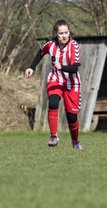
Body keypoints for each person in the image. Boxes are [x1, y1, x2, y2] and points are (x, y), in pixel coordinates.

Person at [25, 19, 82, 150]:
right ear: (56, 33)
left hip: (72, 84)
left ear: (69, 33)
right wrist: (31, 67)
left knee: (72, 116)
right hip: (55, 79)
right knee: (53, 103)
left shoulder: (74, 46)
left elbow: (75, 69)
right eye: (61, 33)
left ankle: (75, 141)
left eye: (66, 32)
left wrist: (61, 66)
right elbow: (40, 53)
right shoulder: (50, 45)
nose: (64, 35)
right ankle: (53, 136)